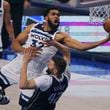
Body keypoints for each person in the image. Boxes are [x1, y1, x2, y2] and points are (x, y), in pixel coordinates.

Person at [0, 7, 110, 104]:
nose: (57, 16)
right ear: (46, 17)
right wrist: (26, 51)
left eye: (58, 15)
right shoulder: (32, 27)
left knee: (26, 105)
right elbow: (15, 44)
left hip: (34, 74)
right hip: (17, 65)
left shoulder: (59, 37)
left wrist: (106, 39)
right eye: (53, 14)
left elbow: (82, 47)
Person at [19, 40, 70, 110]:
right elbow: (67, 52)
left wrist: (25, 62)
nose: (47, 64)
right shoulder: (66, 77)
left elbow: (23, 85)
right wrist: (55, 43)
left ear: (55, 71)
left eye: (50, 64)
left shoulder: (47, 80)